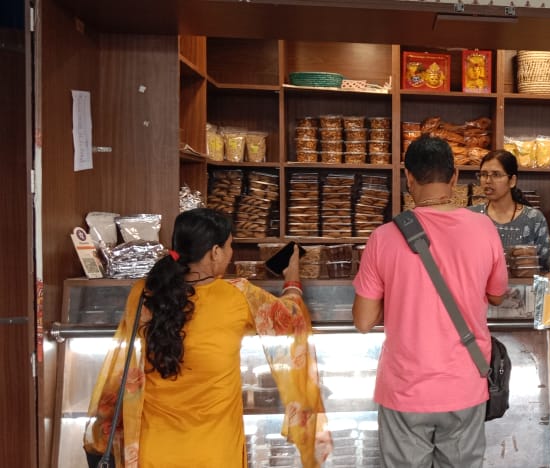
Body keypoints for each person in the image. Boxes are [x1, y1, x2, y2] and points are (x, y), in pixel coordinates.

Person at [83, 208, 331, 468]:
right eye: (229, 246)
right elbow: (290, 318)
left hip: (153, 451)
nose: (230, 253)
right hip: (215, 453)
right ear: (215, 252)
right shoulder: (237, 297)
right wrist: (292, 280)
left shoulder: (142, 293)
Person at [352, 135, 510, 467]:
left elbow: (363, 322)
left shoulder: (382, 237)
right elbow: (497, 295)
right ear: (454, 177)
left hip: (404, 389)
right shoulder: (484, 228)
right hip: (465, 384)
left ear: (408, 177)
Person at [468, 150, 550, 271]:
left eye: (496, 175)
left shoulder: (534, 218)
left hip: (525, 283)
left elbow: (546, 269)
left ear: (512, 181)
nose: (488, 181)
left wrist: (530, 266)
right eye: (483, 174)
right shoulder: (471, 216)